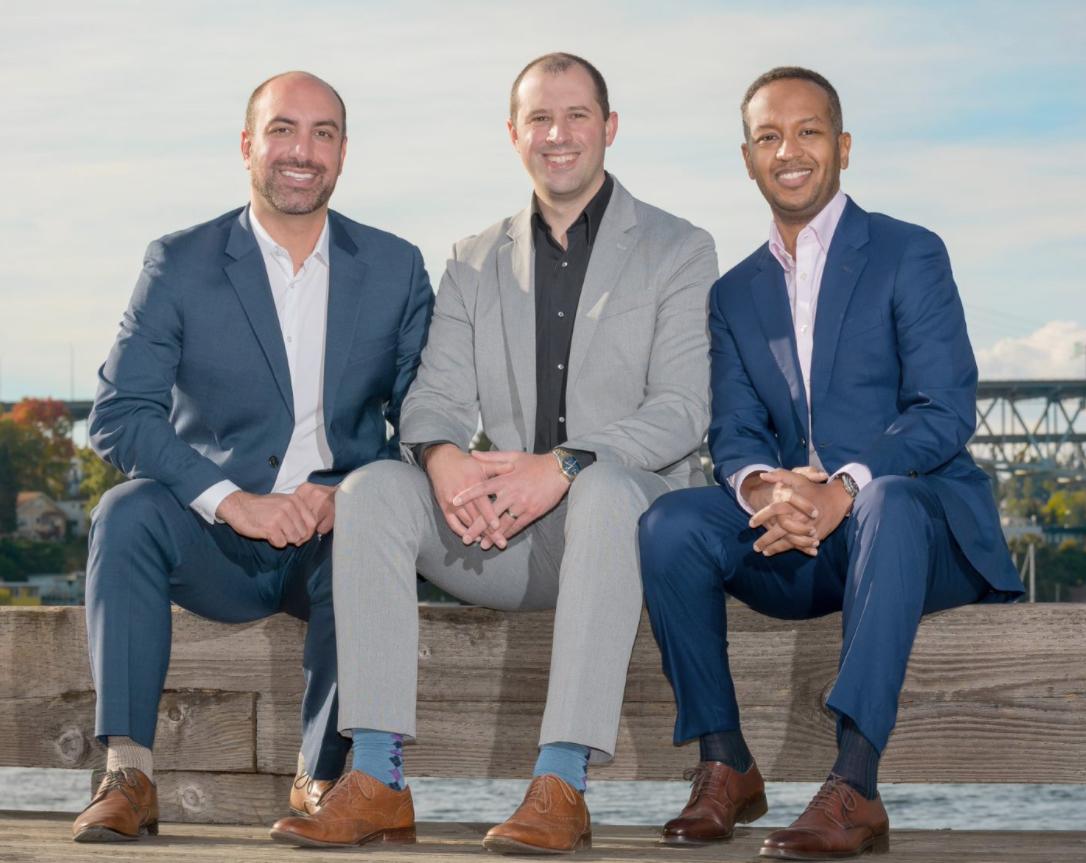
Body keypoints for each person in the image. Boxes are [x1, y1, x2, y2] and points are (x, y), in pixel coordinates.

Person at [269, 52, 718, 854]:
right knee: (372, 488)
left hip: (627, 531)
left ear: (610, 128)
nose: (558, 134)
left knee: (605, 489)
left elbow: (683, 409)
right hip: (503, 532)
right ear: (514, 134)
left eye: (576, 115)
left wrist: (563, 463)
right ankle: (374, 777)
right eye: (539, 118)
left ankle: (561, 782)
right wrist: (444, 459)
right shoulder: (473, 259)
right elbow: (433, 398)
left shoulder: (679, 248)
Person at [637, 66, 1024, 860]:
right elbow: (735, 428)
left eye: (808, 131)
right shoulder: (734, 292)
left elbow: (944, 408)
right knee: (668, 523)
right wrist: (765, 488)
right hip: (801, 539)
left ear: (843, 146)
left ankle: (855, 782)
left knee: (885, 501)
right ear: (748, 158)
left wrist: (846, 484)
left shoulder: (909, 252)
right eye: (769, 136)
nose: (789, 151)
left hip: (918, 531)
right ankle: (725, 761)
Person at [72, 71, 433, 843]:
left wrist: (353, 490)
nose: (302, 151)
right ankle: (128, 774)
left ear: (343, 152)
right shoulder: (179, 262)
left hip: (334, 532)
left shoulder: (396, 267)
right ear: (247, 145)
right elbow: (121, 413)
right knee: (124, 512)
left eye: (323, 133)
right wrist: (231, 499)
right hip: (212, 534)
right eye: (282, 129)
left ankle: (323, 779)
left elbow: (424, 419)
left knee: (372, 526)